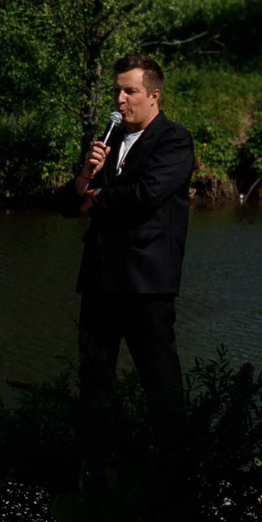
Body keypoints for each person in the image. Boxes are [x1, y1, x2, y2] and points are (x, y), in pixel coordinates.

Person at [73, 55, 195, 409]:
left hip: (146, 283)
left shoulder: (173, 140)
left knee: (159, 380)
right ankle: (98, 456)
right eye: (117, 91)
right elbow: (69, 203)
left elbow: (148, 193)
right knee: (94, 381)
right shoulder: (108, 142)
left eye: (130, 91)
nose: (120, 100)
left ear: (154, 95)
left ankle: (173, 455)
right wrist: (85, 174)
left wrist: (98, 197)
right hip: (99, 280)